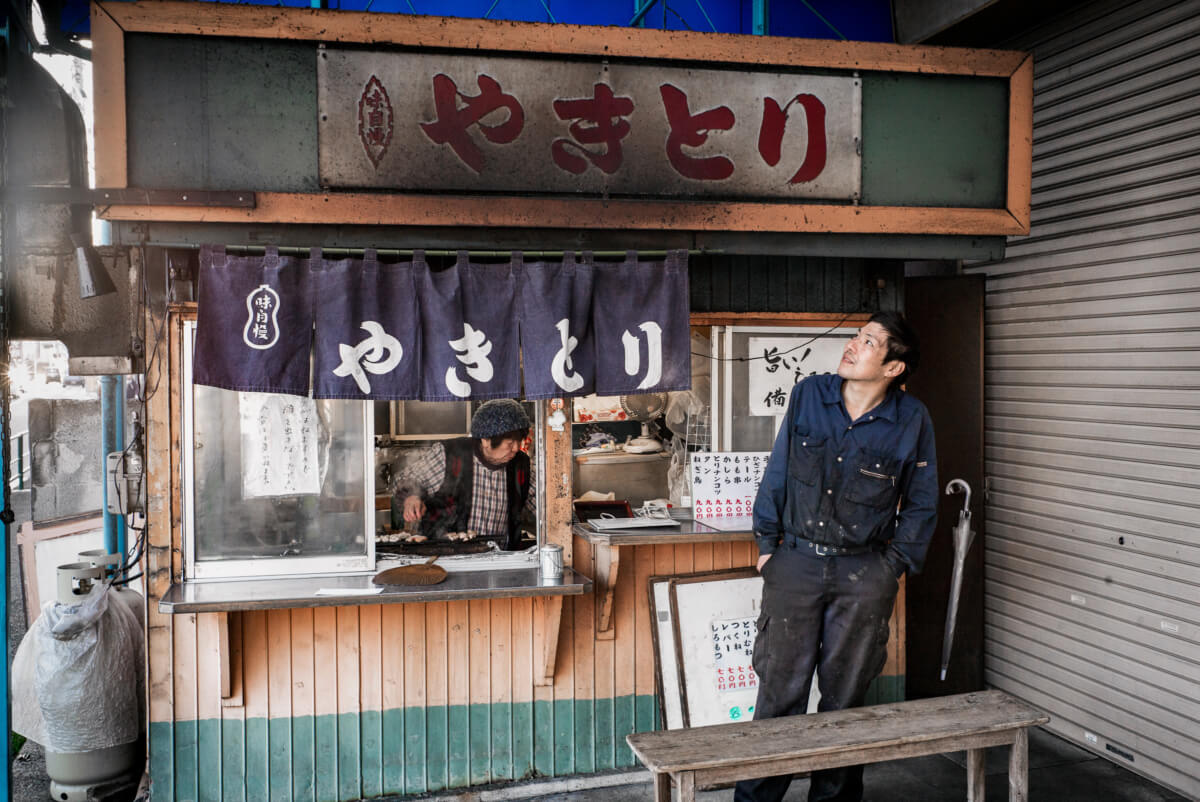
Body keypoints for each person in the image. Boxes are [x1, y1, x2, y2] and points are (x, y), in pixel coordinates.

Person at [735, 312, 938, 802]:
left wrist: (891, 568)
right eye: (857, 336)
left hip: (863, 572)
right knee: (779, 697)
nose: (852, 345)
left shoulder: (912, 420)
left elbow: (922, 502)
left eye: (868, 341)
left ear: (893, 367)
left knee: (845, 703)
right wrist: (767, 549)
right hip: (795, 565)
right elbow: (778, 468)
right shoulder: (811, 394)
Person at [394, 399, 534, 550]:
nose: (515, 449)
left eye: (518, 442)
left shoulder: (521, 464)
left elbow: (540, 502)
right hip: (445, 555)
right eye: (510, 443)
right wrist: (412, 496)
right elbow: (406, 478)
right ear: (486, 440)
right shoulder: (450, 454)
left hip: (500, 558)